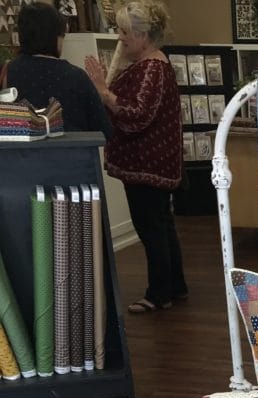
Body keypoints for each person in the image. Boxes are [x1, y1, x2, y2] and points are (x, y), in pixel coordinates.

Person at [86, 0, 187, 314]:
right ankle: (174, 286)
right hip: (153, 163)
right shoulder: (152, 66)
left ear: (144, 36)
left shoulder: (151, 69)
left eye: (125, 32)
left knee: (151, 228)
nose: (120, 38)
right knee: (161, 225)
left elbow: (136, 114)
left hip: (148, 164)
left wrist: (103, 91)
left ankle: (159, 294)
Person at [3, 1, 111, 135]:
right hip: (72, 154)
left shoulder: (10, 71)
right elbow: (104, 129)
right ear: (55, 37)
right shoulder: (77, 76)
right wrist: (102, 94)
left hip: (22, 154)